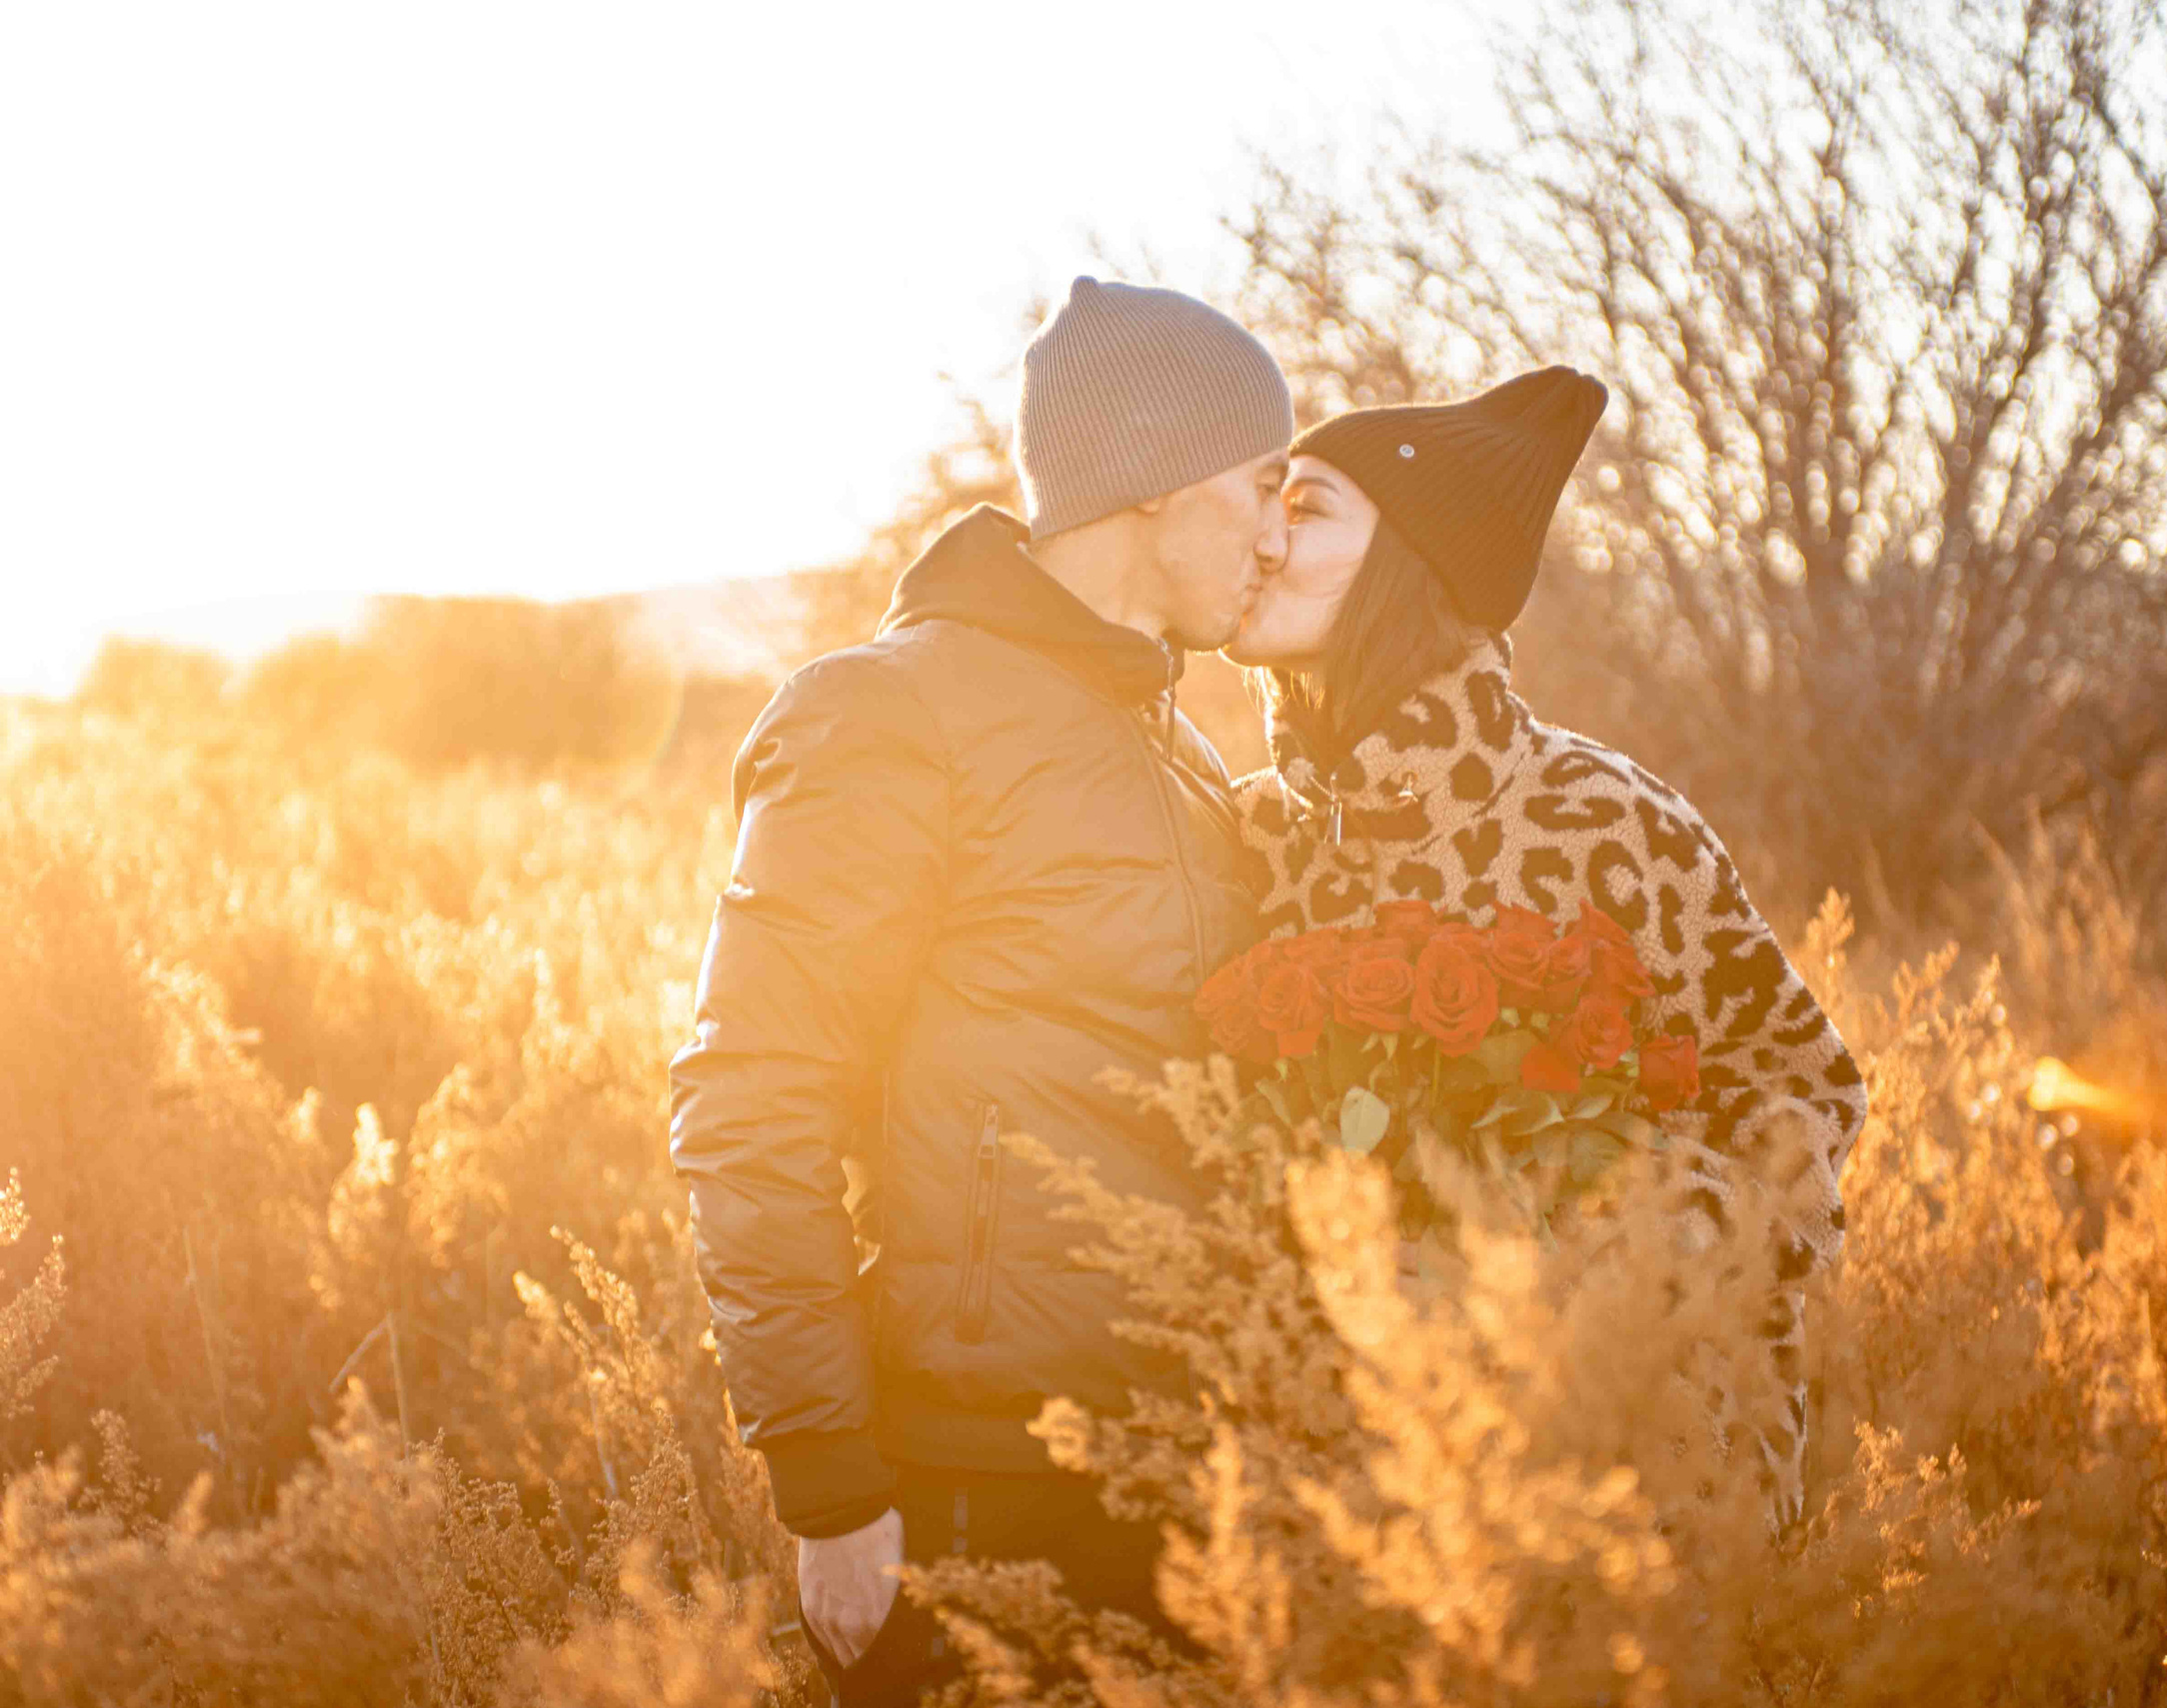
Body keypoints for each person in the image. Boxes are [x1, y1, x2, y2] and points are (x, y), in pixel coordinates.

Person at [670, 278, 1287, 1704]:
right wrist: (827, 1479)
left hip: (1180, 1473)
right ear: (1154, 480)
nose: (1273, 527)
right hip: (972, 1476)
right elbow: (749, 1097)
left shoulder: (1176, 740)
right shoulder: (892, 712)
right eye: (1261, 482)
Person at [1222, 366, 1869, 1525]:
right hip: (1327, 1479)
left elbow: (1803, 1091)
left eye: (1307, 506)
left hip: (1632, 1471)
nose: (1261, 539)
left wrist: (1627, 1255)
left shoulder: (1605, 820)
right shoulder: (1245, 834)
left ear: (1415, 563)